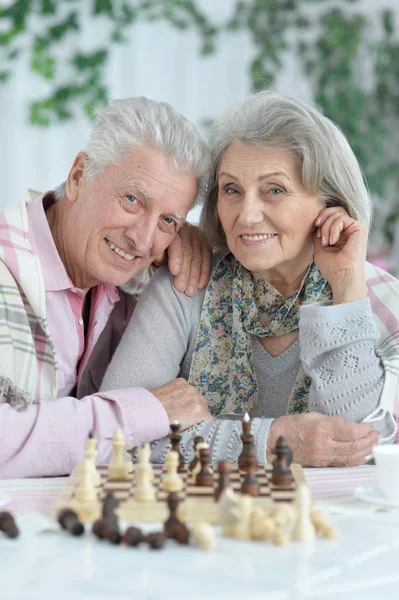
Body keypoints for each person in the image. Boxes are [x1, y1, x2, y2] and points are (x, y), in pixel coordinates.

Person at [102, 91, 399, 468]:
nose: (247, 214)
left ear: (329, 203)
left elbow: (356, 446)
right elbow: (116, 436)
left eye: (274, 190)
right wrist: (269, 441)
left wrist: (345, 289)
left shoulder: (383, 305)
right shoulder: (187, 284)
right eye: (232, 190)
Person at [0, 97, 215, 478]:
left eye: (168, 220)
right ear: (79, 175)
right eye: (132, 200)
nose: (142, 239)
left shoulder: (143, 278)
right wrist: (146, 410)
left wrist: (192, 239)